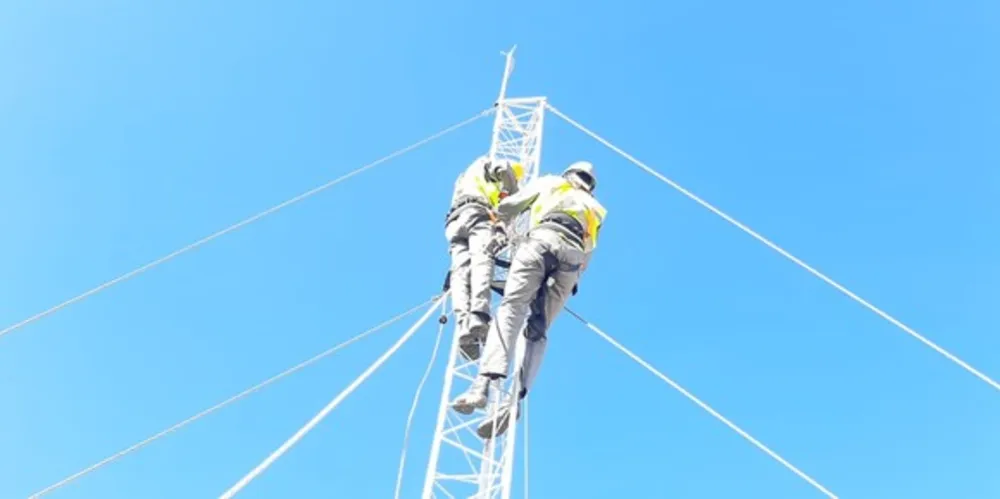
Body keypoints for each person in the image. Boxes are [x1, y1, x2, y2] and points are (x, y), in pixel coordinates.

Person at [450, 160, 607, 438]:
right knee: (538, 330)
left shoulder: (552, 183)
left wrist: (498, 227)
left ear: (568, 174)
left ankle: (483, 385)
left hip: (541, 242)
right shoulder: (596, 209)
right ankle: (514, 402)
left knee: (511, 308)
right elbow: (589, 253)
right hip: (572, 264)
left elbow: (513, 206)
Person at [444, 155, 525, 361]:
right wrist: (510, 195)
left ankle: (464, 326)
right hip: (477, 214)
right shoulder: (487, 165)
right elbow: (504, 168)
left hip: (454, 221)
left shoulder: (465, 177)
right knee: (482, 259)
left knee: (461, 272)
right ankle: (479, 316)